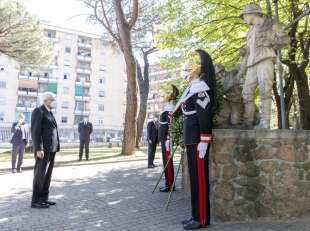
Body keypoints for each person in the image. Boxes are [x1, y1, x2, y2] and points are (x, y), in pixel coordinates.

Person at [174, 50, 215, 229]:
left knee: (200, 180)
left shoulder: (200, 91)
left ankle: (202, 219)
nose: (184, 72)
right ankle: (194, 215)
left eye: (187, 69)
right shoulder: (191, 90)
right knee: (194, 181)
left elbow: (204, 118)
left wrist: (204, 141)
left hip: (198, 142)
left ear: (195, 70)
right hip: (191, 141)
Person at [240, 4, 290, 129]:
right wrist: (244, 51)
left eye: (244, 15)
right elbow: (249, 47)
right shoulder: (250, 31)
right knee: (246, 93)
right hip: (251, 64)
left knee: (265, 91)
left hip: (265, 60)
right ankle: (248, 121)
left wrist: (272, 42)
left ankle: (265, 122)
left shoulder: (271, 24)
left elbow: (286, 40)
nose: (244, 18)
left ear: (252, 13)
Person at [31, 92, 59, 209]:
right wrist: (38, 148)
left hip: (51, 149)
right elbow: (35, 131)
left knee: (47, 175)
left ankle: (44, 198)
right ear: (46, 100)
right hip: (43, 149)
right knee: (40, 174)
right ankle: (36, 201)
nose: (54, 102)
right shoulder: (39, 111)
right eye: (52, 100)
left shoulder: (50, 112)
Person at [158, 85, 179, 192]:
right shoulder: (165, 109)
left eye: (164, 96)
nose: (162, 98)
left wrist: (168, 138)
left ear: (168, 98)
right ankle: (168, 183)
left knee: (167, 162)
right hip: (164, 139)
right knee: (165, 161)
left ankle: (170, 185)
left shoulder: (169, 109)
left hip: (167, 140)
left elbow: (170, 125)